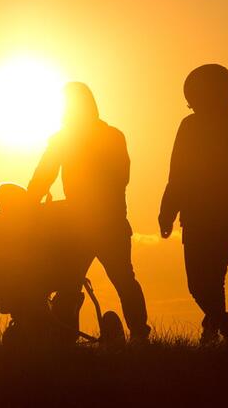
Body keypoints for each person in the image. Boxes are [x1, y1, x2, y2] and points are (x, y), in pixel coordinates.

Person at [28, 82, 151, 341]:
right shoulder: (106, 136)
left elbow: (43, 177)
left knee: (74, 282)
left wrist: (29, 204)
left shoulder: (73, 138)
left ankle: (68, 338)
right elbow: (44, 176)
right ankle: (137, 335)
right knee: (111, 280)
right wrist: (29, 201)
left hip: (96, 222)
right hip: (100, 222)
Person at [159, 64, 228, 344]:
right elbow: (178, 173)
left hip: (223, 221)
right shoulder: (190, 126)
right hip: (196, 219)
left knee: (206, 283)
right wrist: (167, 212)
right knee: (205, 283)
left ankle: (225, 327)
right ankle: (215, 327)